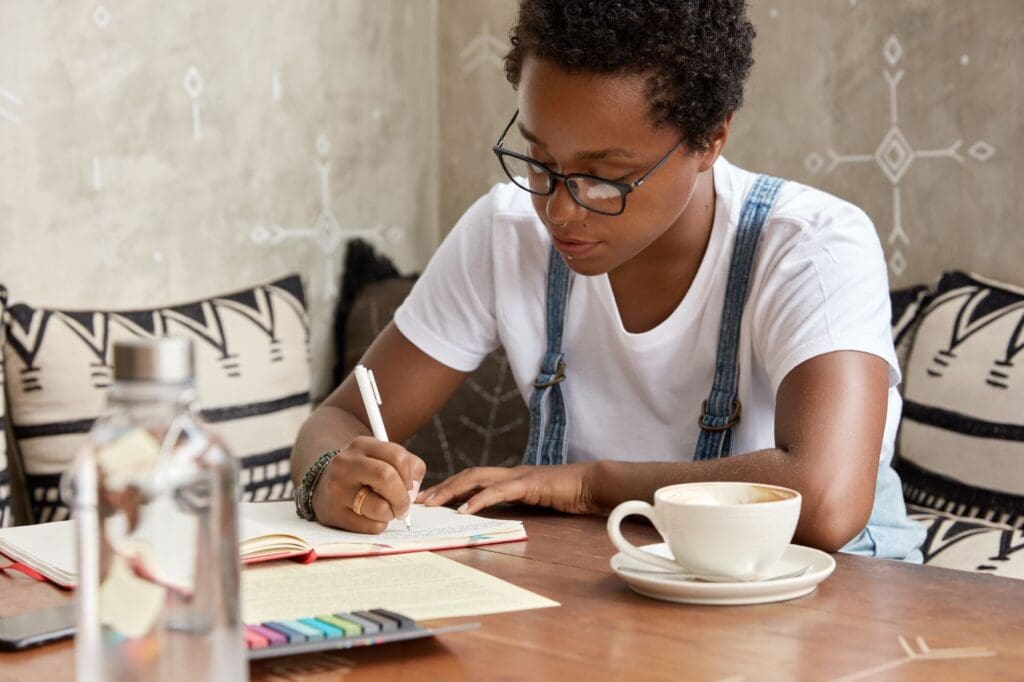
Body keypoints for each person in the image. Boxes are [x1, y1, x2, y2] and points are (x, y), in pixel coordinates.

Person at [290, 0, 925, 560]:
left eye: (605, 178)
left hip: (824, 597)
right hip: (609, 582)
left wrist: (587, 484)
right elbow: (342, 415)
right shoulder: (505, 231)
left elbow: (827, 500)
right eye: (539, 161)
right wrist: (330, 474)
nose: (559, 210)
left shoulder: (809, 246)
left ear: (711, 139)